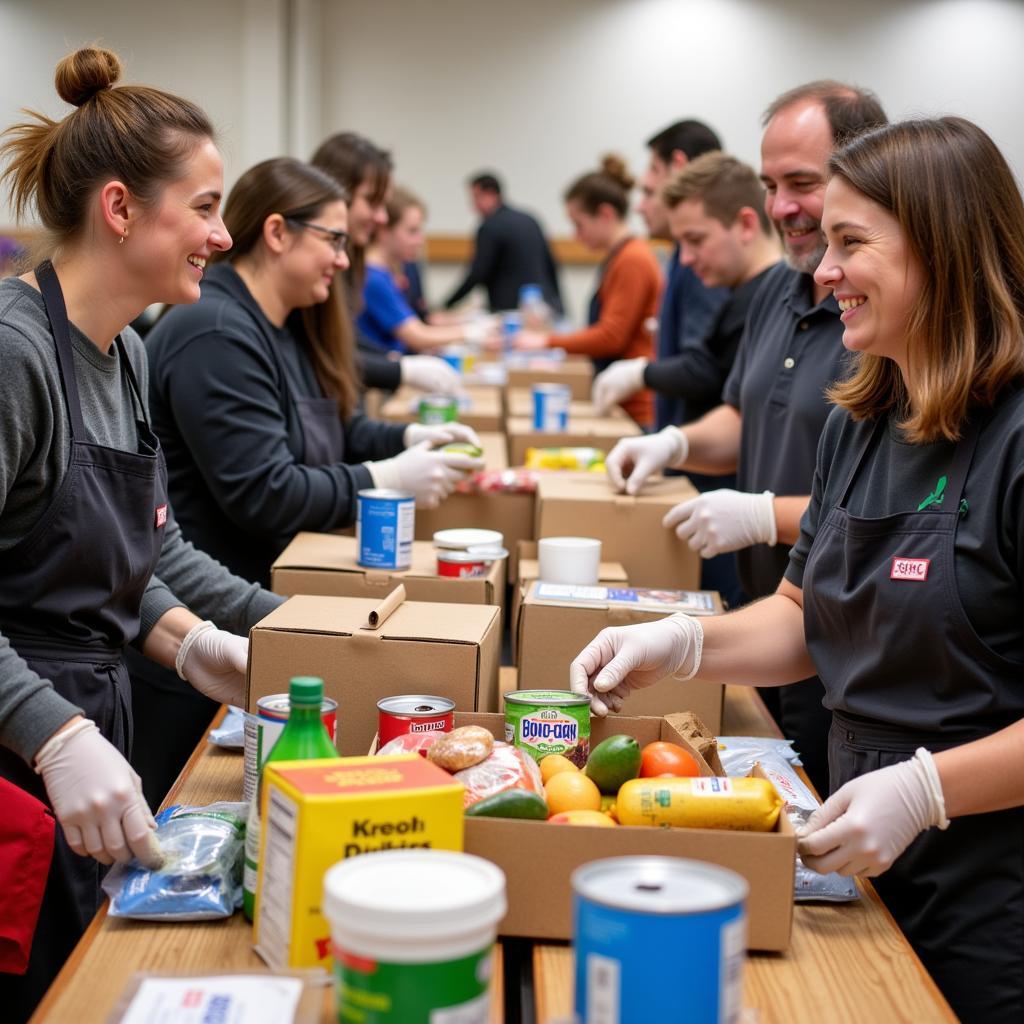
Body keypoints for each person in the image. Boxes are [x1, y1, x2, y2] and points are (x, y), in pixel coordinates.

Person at [571, 115, 1024, 1024]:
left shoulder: (1013, 440)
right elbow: (803, 616)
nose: (820, 273)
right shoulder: (860, 420)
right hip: (858, 843)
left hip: (990, 882)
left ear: (941, 251)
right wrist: (678, 643)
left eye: (851, 244)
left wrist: (926, 790)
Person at [0, 46, 284, 1020]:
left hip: (86, 732)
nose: (223, 232)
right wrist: (55, 735)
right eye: (203, 207)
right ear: (121, 209)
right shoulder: (14, 355)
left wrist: (192, 640)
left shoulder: (122, 351)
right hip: (22, 756)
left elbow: (136, 546)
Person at [134, 158, 482, 803]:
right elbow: (265, 493)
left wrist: (404, 440)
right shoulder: (214, 332)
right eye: (335, 239)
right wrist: (382, 476)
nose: (346, 260)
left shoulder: (282, 328)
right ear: (277, 233)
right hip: (200, 634)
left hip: (248, 615)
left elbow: (331, 430)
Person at [603, 82, 887, 796]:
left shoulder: (880, 327)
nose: (782, 207)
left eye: (803, 183)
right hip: (776, 617)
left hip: (848, 640)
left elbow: (880, 512)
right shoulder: (775, 292)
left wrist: (763, 513)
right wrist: (672, 443)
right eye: (771, 185)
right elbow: (745, 416)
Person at [650, 152, 783, 607]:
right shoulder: (760, 297)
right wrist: (674, 443)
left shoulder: (767, 294)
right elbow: (744, 415)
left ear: (746, 225)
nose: (685, 259)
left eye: (695, 240)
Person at [592, 119, 728, 431]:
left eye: (652, 173)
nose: (640, 207)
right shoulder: (682, 252)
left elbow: (703, 367)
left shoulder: (701, 258)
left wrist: (642, 373)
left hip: (695, 445)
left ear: (677, 166)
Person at [311, 131, 459, 395]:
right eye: (371, 201)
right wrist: (401, 369)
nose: (381, 218)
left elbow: (346, 342)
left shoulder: (354, 262)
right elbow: (323, 353)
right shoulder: (366, 272)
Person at [517, 156, 661, 427]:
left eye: (579, 224)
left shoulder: (633, 260)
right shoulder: (619, 257)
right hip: (619, 398)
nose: (576, 236)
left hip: (635, 408)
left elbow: (611, 336)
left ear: (605, 214)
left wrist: (547, 341)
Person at [360, 186, 491, 353]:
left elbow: (422, 320)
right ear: (384, 231)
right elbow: (417, 335)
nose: (420, 240)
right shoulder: (373, 277)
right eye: (412, 231)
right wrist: (472, 332)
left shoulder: (393, 272)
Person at [444, 171, 562, 315]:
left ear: (491, 194)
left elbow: (478, 273)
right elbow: (552, 265)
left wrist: (447, 304)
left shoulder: (490, 227)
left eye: (476, 197)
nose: (473, 205)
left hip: (509, 310)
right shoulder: (530, 219)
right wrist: (558, 304)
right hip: (543, 306)